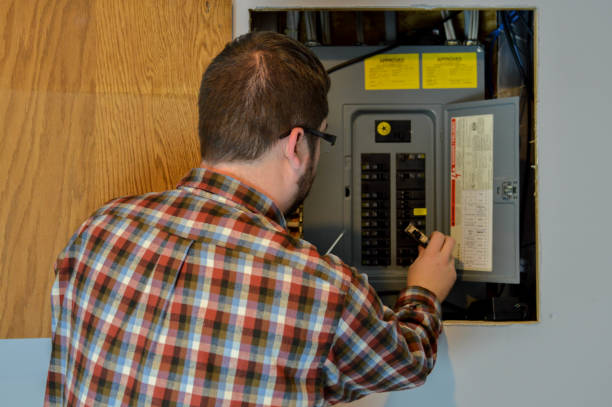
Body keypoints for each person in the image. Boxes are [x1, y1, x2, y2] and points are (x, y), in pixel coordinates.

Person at [45, 31, 456, 406]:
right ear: (297, 144)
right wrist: (425, 291)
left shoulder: (99, 231)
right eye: (323, 138)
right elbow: (407, 361)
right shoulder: (320, 289)